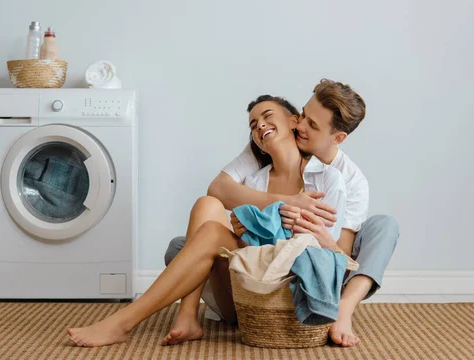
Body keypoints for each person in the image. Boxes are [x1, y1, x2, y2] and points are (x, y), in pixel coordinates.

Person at [67, 95, 348, 347]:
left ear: (293, 121)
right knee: (208, 205)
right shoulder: (254, 181)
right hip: (246, 294)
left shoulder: (327, 178)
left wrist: (273, 224)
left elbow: (324, 254)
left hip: (290, 296)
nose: (259, 125)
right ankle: (187, 316)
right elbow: (238, 227)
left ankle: (124, 322)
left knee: (212, 232)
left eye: (267, 116)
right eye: (253, 124)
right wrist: (245, 230)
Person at [165, 79, 400, 347]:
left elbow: (339, 256)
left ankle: (343, 310)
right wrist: (274, 209)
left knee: (384, 225)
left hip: (322, 258)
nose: (300, 126)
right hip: (264, 260)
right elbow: (217, 188)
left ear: (337, 138)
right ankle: (218, 311)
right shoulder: (271, 142)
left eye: (312, 125)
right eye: (303, 115)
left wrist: (311, 231)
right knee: (181, 247)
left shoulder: (348, 179)